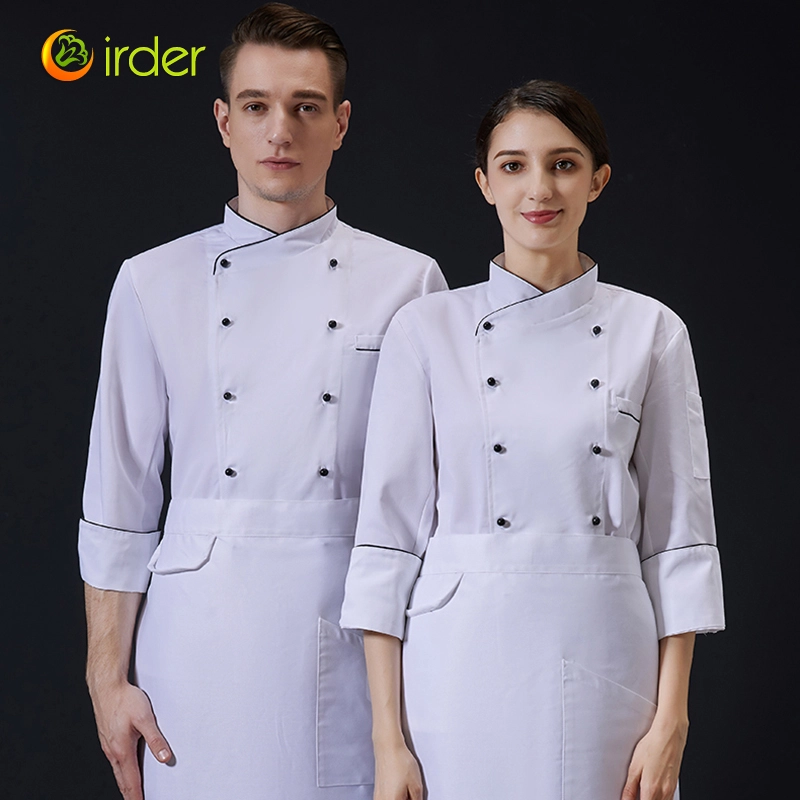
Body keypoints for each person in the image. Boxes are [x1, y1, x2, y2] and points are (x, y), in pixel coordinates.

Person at [79, 4, 446, 799]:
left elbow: (426, 508)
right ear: (224, 122)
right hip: (196, 647)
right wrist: (106, 678)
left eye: (305, 107)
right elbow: (118, 503)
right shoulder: (152, 281)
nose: (280, 131)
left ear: (340, 124)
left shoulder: (409, 282)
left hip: (350, 634)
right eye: (257, 106)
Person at [340, 79, 724, 800]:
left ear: (597, 181)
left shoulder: (652, 331)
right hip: (457, 664)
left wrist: (672, 720)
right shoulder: (426, 331)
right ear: (485, 183)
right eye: (513, 165)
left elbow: (679, 540)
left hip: (608, 659)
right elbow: (387, 543)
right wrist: (387, 740)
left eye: (563, 164)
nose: (539, 189)